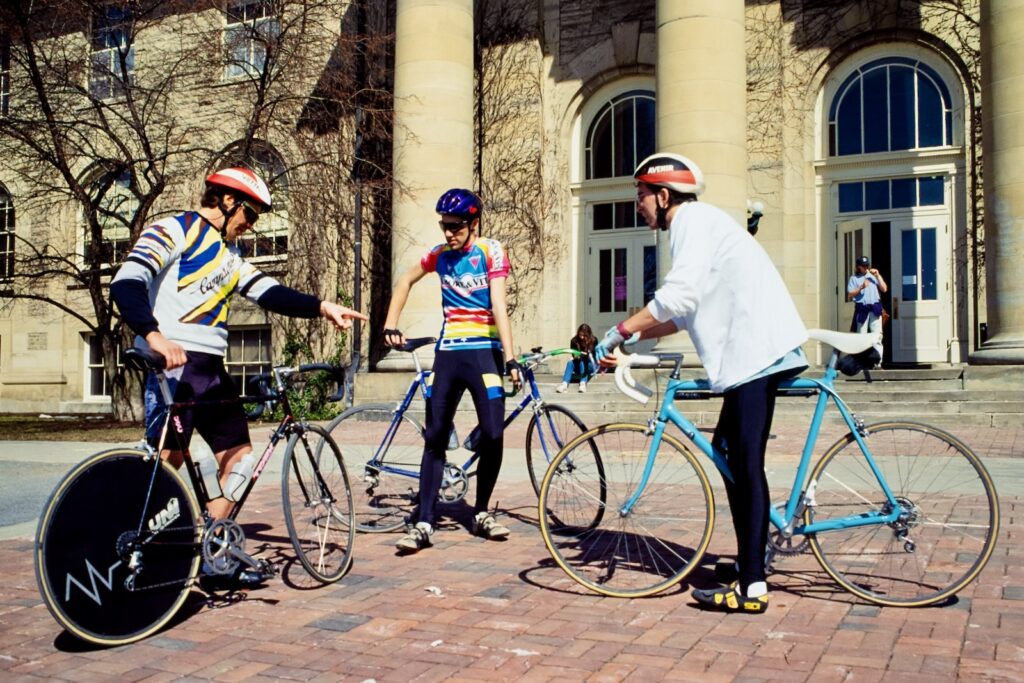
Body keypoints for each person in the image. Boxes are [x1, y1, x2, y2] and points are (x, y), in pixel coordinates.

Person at [110, 167, 367, 583]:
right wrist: (153, 337)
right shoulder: (176, 229)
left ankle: (212, 551)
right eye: (251, 213)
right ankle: (138, 554)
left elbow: (270, 292)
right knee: (168, 464)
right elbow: (126, 282)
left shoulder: (230, 257)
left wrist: (323, 307)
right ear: (227, 200)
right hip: (175, 366)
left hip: (211, 371)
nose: (252, 224)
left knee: (240, 460)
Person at [595, 153, 808, 613]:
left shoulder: (690, 221)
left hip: (757, 351)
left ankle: (752, 585)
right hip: (751, 353)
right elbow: (680, 316)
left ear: (664, 195)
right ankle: (751, 559)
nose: (638, 206)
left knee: (746, 461)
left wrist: (622, 330)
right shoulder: (698, 224)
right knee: (731, 452)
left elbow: (677, 297)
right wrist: (628, 343)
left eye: (641, 196)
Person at [382, 188, 522, 553]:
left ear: (474, 223)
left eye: (456, 227)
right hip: (449, 353)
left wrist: (511, 358)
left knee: (494, 433)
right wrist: (390, 323)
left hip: (485, 353)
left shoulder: (490, 251)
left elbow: (499, 306)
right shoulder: (439, 256)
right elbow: (405, 280)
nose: (449, 233)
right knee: (435, 437)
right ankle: (424, 521)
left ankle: (480, 512)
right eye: (445, 226)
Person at [847, 255, 887, 363]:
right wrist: (861, 287)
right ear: (858, 267)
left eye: (867, 265)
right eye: (863, 266)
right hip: (862, 309)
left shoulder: (873, 276)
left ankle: (878, 362)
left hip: (874, 307)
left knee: (877, 336)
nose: (865, 268)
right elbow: (850, 295)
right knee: (861, 337)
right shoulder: (854, 278)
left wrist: (878, 276)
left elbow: (884, 288)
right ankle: (862, 362)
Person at [555, 323, 597, 393]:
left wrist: (587, 349)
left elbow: (594, 356)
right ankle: (564, 384)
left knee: (583, 361)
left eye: (585, 335)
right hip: (579, 364)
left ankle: (583, 383)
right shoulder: (574, 341)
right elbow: (573, 354)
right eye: (581, 335)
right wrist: (575, 356)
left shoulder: (593, 340)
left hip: (590, 365)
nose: (582, 337)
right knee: (570, 363)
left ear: (589, 335)